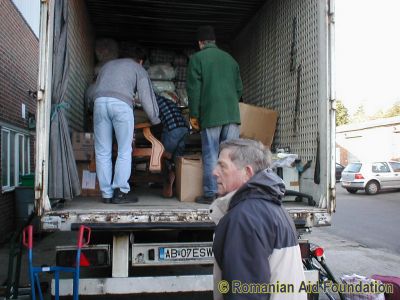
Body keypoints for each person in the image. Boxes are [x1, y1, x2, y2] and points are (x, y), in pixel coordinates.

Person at [211, 139, 307, 300]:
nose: (214, 172)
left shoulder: (243, 219)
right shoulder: (274, 208)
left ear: (247, 172)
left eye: (222, 166)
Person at [92, 48, 160, 204]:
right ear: (140, 60)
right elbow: (145, 96)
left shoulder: (107, 66)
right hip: (121, 105)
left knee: (102, 151)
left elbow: (93, 89)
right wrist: (155, 120)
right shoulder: (138, 68)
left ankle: (106, 194)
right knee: (124, 149)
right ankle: (121, 192)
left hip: (99, 103)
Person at [186, 25, 243, 204]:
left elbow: (194, 90)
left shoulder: (197, 58)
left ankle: (211, 193)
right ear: (214, 41)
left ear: (200, 43)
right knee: (231, 155)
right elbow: (239, 89)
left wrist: (194, 115)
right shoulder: (231, 60)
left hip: (211, 115)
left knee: (211, 154)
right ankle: (232, 194)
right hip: (232, 115)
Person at [155, 94, 189, 197]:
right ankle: (177, 185)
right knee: (177, 160)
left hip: (173, 129)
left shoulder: (152, 102)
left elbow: (153, 119)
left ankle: (166, 184)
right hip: (184, 128)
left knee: (165, 156)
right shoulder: (166, 101)